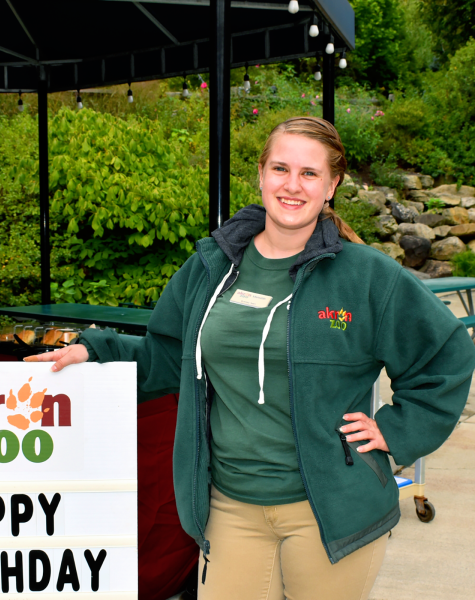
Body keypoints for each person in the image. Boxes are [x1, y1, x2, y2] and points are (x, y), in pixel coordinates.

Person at [25, 116, 475, 600]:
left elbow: (446, 354)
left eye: (309, 173)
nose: (292, 185)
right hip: (230, 507)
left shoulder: (366, 276)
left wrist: (398, 430)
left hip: (329, 510)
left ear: (332, 185)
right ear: (261, 174)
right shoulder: (210, 265)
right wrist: (97, 350)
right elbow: (168, 355)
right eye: (281, 168)